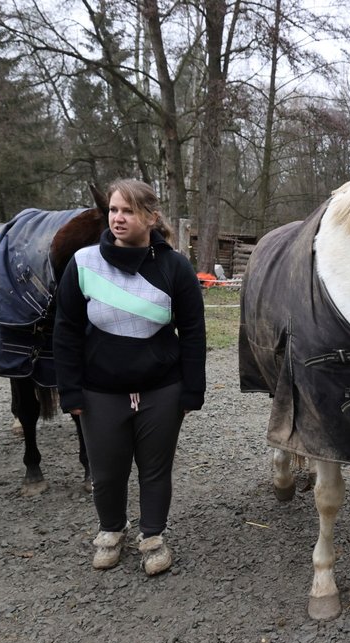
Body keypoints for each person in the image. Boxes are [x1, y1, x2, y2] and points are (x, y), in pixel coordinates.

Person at [53, 179, 206, 575]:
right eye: (114, 210)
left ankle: (153, 536)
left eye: (129, 211)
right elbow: (65, 330)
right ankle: (110, 532)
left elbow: (193, 332)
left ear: (151, 218)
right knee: (107, 471)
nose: (118, 218)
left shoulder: (175, 267)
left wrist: (193, 390)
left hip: (162, 389)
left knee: (155, 470)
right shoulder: (84, 263)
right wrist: (69, 390)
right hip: (99, 390)